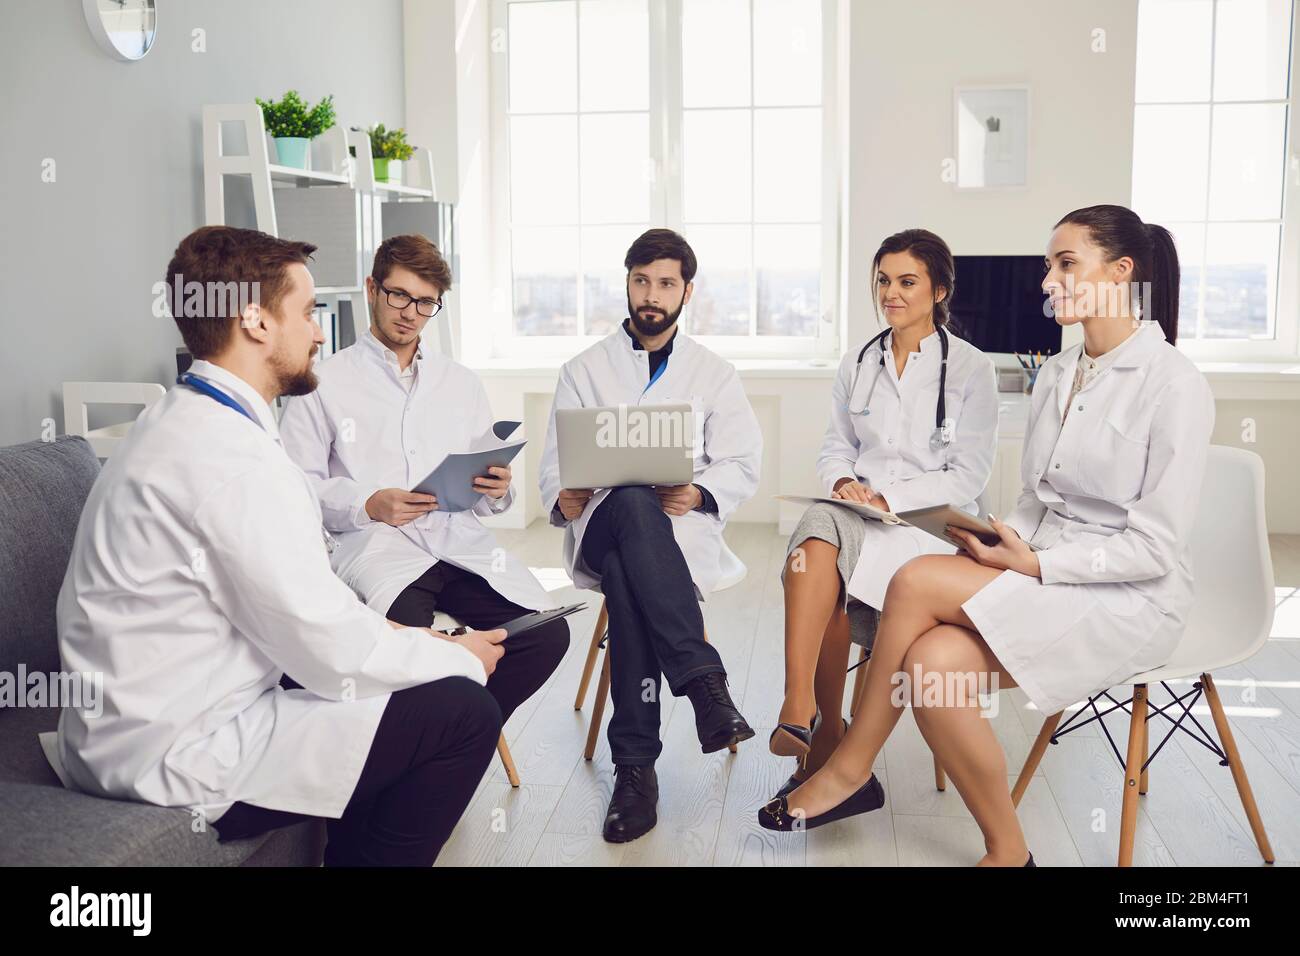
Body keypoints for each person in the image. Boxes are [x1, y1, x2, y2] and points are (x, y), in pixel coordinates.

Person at [759, 205, 1215, 869]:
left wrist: (1034, 562)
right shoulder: (1057, 374)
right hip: (1043, 571)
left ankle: (850, 765)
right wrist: (1002, 541)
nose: (1048, 281)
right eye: (1048, 266)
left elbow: (1153, 550)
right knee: (931, 667)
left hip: (1126, 597)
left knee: (914, 581)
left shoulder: (1174, 384)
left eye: (1066, 264)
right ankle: (1009, 852)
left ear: (1121, 273)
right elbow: (1035, 502)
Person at [56, 225, 508, 866]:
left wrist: (424, 643)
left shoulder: (184, 418)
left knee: (405, 679)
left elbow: (305, 607)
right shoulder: (232, 461)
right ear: (255, 322)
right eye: (306, 313)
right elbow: (327, 649)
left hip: (141, 720)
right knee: (462, 710)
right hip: (172, 752)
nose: (319, 332)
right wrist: (459, 657)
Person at [280, 234, 567, 725]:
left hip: (457, 545)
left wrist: (497, 489)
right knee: (405, 645)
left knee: (542, 633)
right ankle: (428, 737)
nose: (410, 312)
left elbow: (487, 489)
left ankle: (456, 731)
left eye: (425, 302)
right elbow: (294, 488)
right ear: (372, 288)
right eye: (399, 295)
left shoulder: (460, 383)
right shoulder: (322, 382)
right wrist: (367, 503)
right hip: (377, 549)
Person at [538, 228, 763, 843]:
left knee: (630, 581)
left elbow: (742, 462)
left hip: (675, 530)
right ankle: (703, 684)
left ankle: (635, 771)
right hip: (603, 518)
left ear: (687, 290)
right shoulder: (583, 370)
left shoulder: (713, 374)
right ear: (628, 284)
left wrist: (699, 493)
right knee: (632, 499)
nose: (651, 295)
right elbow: (553, 468)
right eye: (642, 281)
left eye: (666, 283)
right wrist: (564, 495)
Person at [772, 229, 997, 800]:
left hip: (931, 523)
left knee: (831, 569)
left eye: (906, 282)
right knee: (817, 536)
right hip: (858, 514)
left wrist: (889, 500)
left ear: (939, 289)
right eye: (882, 281)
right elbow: (834, 446)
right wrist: (845, 481)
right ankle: (807, 709)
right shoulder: (859, 362)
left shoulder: (971, 369)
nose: (889, 293)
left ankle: (821, 730)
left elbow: (969, 475)